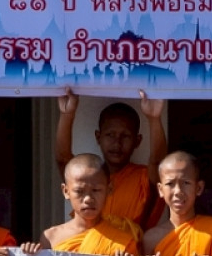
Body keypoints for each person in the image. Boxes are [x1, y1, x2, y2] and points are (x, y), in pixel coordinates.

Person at [55, 88, 166, 231]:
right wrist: (66, 114)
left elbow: (158, 163)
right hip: (87, 250)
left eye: (125, 136)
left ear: (137, 141)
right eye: (110, 135)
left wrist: (154, 119)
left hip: (130, 251)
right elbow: (63, 160)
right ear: (98, 137)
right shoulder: (87, 176)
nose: (117, 143)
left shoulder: (143, 178)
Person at [142, 150, 212, 256]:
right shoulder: (151, 239)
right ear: (160, 190)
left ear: (199, 188)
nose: (178, 191)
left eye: (186, 183)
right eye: (170, 184)